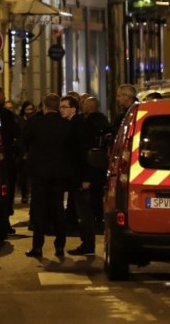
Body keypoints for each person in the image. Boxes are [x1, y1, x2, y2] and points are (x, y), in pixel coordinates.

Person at [23, 93, 73, 258]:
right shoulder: (65, 124)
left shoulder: (35, 122)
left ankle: (37, 246)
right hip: (59, 172)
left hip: (39, 173)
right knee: (58, 208)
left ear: (44, 106)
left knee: (38, 209)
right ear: (58, 107)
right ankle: (60, 245)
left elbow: (24, 141)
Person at [59, 95, 96, 256]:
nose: (61, 110)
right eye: (60, 107)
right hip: (76, 175)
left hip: (81, 177)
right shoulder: (70, 124)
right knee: (80, 210)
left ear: (73, 109)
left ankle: (88, 244)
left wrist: (86, 178)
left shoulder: (78, 124)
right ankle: (86, 242)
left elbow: (83, 153)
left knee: (84, 212)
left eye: (64, 107)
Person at [0, 85, 20, 235]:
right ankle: (4, 222)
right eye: (3, 94)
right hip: (5, 157)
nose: (4, 97)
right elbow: (16, 133)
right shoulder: (6, 114)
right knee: (6, 190)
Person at [81, 96, 112, 227]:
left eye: (85, 104)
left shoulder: (88, 121)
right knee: (99, 191)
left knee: (91, 192)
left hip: (91, 160)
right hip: (101, 160)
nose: (83, 106)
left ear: (90, 107)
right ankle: (99, 216)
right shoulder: (104, 120)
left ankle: (92, 216)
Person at [17, 101, 36, 204]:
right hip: (23, 152)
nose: (30, 111)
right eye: (27, 109)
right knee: (23, 176)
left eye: (31, 109)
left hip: (32, 152)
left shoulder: (34, 121)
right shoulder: (20, 121)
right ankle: (25, 194)